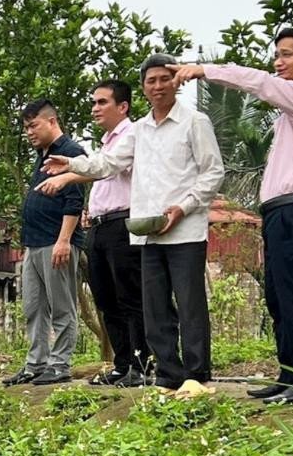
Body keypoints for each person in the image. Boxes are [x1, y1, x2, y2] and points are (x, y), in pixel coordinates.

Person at [40, 55, 224, 389]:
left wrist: (183, 208)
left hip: (184, 229)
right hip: (146, 232)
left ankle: (197, 376)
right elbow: (107, 164)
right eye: (150, 81)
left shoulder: (194, 122)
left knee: (190, 304)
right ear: (143, 88)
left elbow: (213, 172)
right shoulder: (139, 130)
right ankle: (169, 375)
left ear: (177, 81)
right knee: (153, 309)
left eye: (164, 79)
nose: (157, 86)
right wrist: (70, 162)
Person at [173, 28, 293, 405]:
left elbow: (259, 83)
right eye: (276, 55)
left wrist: (203, 69)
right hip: (281, 210)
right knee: (279, 296)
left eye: (287, 54)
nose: (278, 63)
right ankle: (291, 373)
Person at [3, 99, 87, 386]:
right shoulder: (43, 155)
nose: (28, 132)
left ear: (51, 121)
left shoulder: (71, 153)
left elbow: (74, 201)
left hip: (57, 242)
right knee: (34, 309)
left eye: (33, 125)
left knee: (62, 307)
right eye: (25, 127)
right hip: (34, 244)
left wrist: (64, 240)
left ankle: (60, 364)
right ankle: (35, 364)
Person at [79, 80, 149, 386]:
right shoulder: (106, 141)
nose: (95, 108)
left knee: (130, 296)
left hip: (123, 225)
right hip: (98, 226)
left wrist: (70, 170)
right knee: (106, 300)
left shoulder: (132, 135)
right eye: (94, 102)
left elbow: (108, 167)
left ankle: (141, 363)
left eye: (102, 102)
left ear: (123, 107)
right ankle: (122, 364)